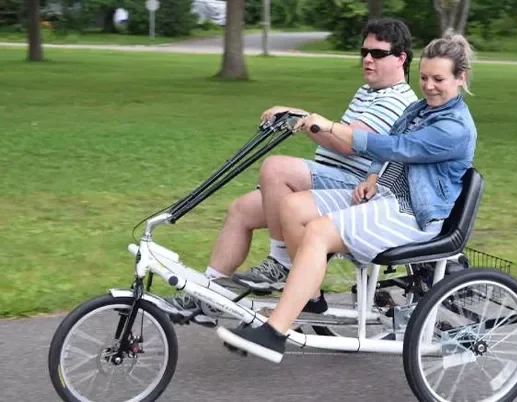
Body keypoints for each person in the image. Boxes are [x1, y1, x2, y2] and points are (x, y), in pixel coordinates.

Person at [216, 33, 478, 363]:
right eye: (424, 77)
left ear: (460, 78)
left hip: (412, 214)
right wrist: (371, 176)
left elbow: (394, 147)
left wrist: (330, 127)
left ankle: (274, 333)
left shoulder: (455, 127)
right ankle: (308, 295)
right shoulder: (420, 109)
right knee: (292, 207)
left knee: (318, 231)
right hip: (383, 195)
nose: (428, 86)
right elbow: (391, 140)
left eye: (439, 79)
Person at [166, 17, 418, 323]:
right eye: (364, 52)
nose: (367, 59)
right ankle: (206, 296)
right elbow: (332, 133)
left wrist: (304, 119)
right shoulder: (369, 91)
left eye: (377, 54)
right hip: (329, 176)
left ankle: (282, 262)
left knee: (275, 168)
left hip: (353, 187)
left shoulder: (398, 99)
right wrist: (299, 117)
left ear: (401, 58)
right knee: (241, 210)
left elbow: (348, 144)